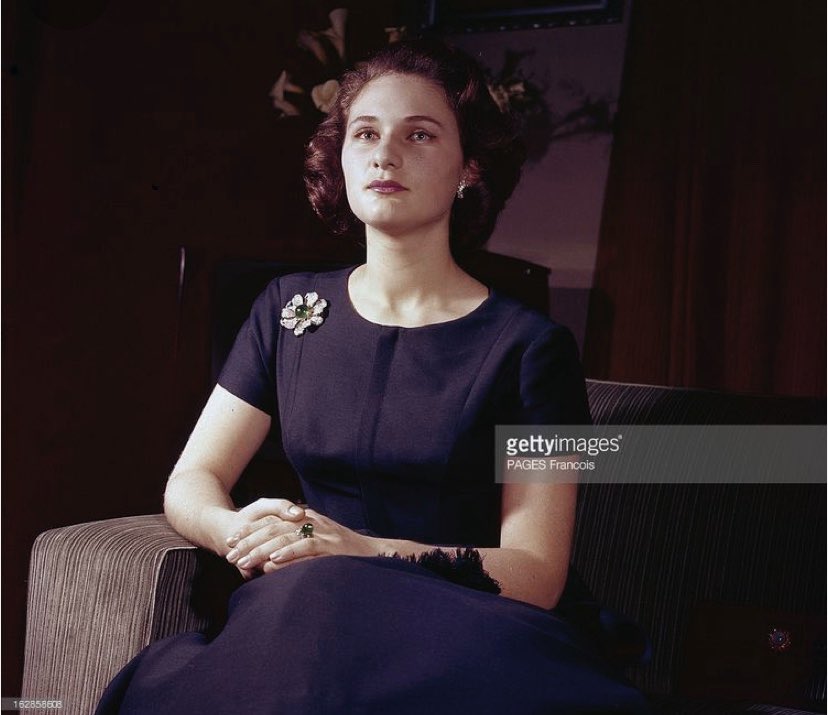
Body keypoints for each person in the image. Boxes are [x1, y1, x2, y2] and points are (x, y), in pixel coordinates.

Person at [97, 39, 650, 714]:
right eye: (365, 133)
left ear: (470, 166)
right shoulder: (286, 311)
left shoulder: (535, 348)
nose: (384, 154)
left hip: (471, 625)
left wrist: (359, 549)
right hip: (303, 613)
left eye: (419, 134)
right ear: (341, 158)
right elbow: (192, 479)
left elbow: (537, 572)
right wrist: (240, 530)